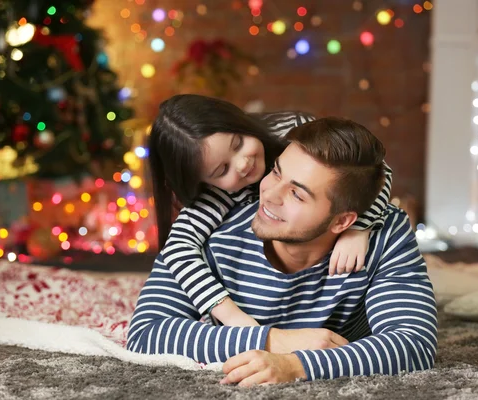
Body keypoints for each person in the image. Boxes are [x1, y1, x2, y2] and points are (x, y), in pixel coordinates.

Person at [129, 117, 437, 385]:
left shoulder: (385, 233)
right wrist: (273, 340)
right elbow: (146, 334)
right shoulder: (211, 231)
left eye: (297, 195)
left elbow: (414, 345)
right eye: (276, 172)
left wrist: (296, 365)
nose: (269, 195)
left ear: (343, 221)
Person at [149, 94, 393, 326]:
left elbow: (374, 172)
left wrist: (360, 227)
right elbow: (178, 248)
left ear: (239, 122)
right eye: (222, 170)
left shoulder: (291, 129)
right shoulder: (213, 196)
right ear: (203, 182)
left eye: (238, 143)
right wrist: (233, 318)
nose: (243, 164)